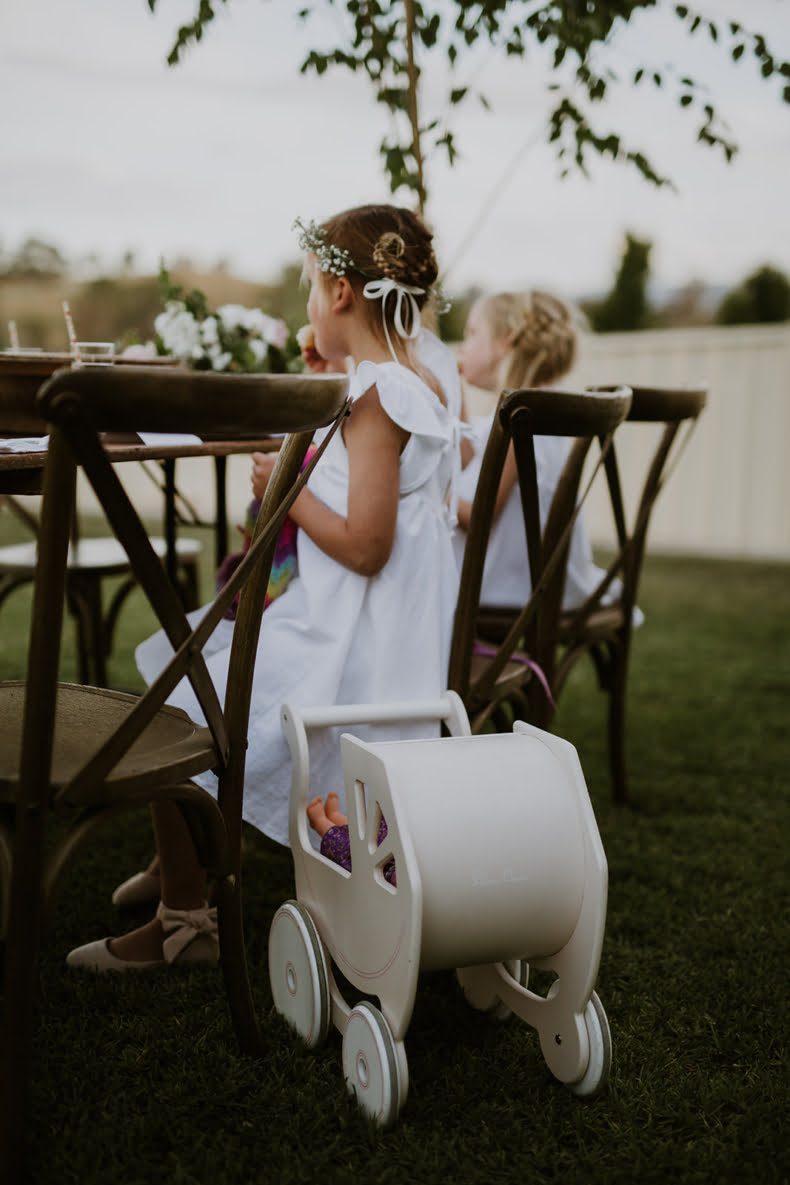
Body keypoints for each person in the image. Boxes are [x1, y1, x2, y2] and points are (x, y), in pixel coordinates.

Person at [67, 203, 460, 971]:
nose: (308, 303)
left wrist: (285, 488)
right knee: (188, 657)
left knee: (174, 704)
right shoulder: (405, 380)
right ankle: (179, 858)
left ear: (340, 293)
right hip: (362, 630)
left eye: (312, 285)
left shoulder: (380, 397)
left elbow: (368, 544)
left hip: (345, 651)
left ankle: (186, 921)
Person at [453, 290, 632, 614]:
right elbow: (474, 467)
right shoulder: (545, 404)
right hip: (550, 580)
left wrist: (430, 494)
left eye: (472, 333)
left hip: (515, 590)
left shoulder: (522, 416)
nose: (462, 347)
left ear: (506, 341)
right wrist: (454, 395)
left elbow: (477, 518)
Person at [307, 793, 396, 885]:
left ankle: (320, 822)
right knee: (373, 834)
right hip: (393, 850)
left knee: (351, 849)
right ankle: (334, 817)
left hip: (382, 868)